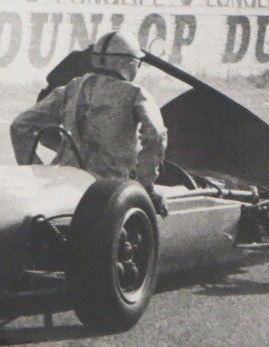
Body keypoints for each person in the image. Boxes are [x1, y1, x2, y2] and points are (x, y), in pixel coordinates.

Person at [9, 30, 168, 216]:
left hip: (63, 183)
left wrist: (38, 173)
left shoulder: (69, 89)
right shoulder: (135, 93)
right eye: (138, 63)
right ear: (128, 63)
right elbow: (156, 135)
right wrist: (146, 187)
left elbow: (20, 126)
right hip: (109, 190)